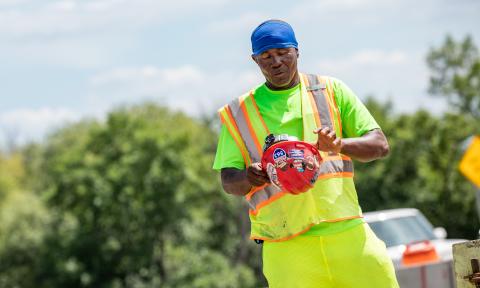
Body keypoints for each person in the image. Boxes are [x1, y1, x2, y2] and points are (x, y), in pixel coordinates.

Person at [213, 19, 399, 288]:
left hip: (349, 236)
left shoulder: (331, 90)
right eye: (266, 56)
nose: (276, 62)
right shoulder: (239, 112)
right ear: (255, 60)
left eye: (283, 53)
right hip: (287, 248)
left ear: (297, 52)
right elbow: (229, 181)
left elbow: (379, 145)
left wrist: (340, 145)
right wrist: (251, 177)